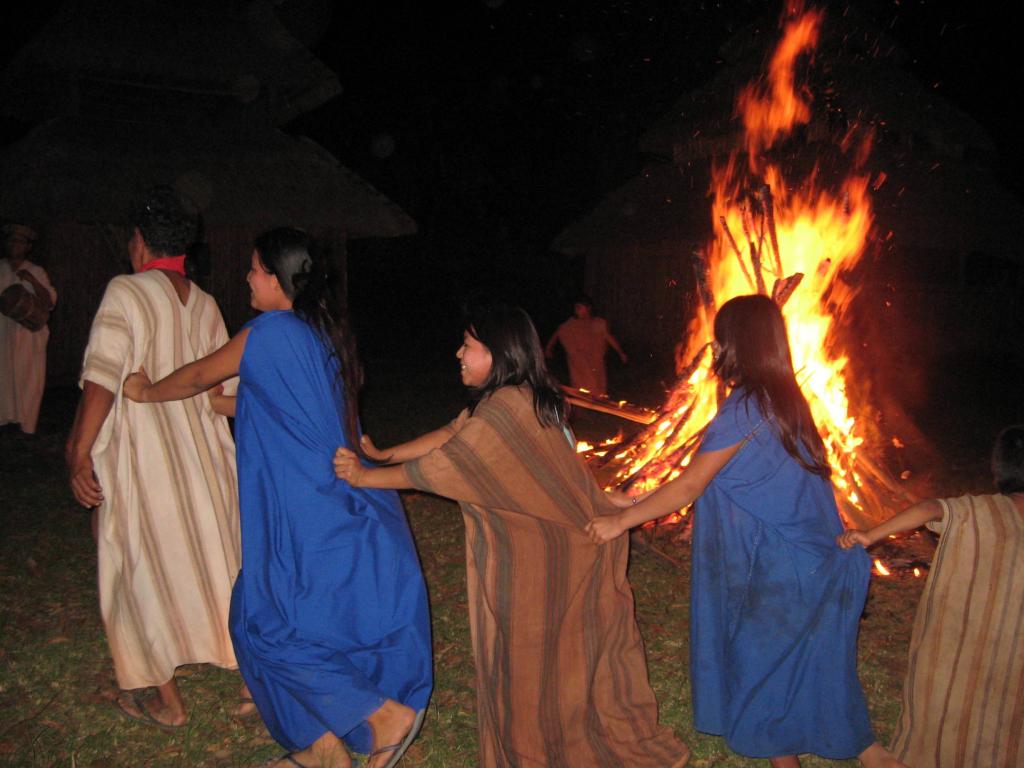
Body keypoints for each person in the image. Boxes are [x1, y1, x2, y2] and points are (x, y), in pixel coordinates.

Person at [123, 227, 432, 768]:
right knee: (253, 614)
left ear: (276, 277)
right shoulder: (325, 334)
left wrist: (145, 390)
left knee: (266, 623)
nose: (247, 277)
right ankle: (319, 747)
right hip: (338, 497)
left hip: (304, 506)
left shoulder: (268, 333)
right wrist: (225, 406)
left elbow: (197, 375)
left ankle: (380, 714)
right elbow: (290, 409)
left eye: (254, 268)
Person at [334, 302, 690, 768]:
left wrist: (364, 477)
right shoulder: (517, 398)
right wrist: (383, 454)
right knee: (558, 658)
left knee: (531, 663)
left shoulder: (506, 410)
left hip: (541, 559)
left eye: (469, 345)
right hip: (558, 545)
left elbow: (442, 466)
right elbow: (451, 435)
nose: (458, 354)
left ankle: (539, 750)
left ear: (499, 353)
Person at [585, 295, 906, 768]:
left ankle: (873, 756)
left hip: (787, 569)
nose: (714, 347)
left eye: (720, 338)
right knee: (794, 669)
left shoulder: (747, 405)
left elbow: (694, 483)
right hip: (813, 561)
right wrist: (632, 500)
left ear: (737, 344)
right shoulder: (785, 399)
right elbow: (724, 480)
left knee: (761, 668)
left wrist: (619, 523)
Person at [65, 187, 240, 729]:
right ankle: (247, 668)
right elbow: (224, 391)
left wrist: (77, 451)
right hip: (204, 460)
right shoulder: (206, 303)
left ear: (139, 242)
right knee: (213, 560)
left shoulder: (127, 291)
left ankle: (166, 699)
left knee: (129, 560)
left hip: (146, 461)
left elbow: (102, 380)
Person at [838, 425, 1024, 768]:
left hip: (954, 654)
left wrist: (870, 534)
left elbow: (931, 508)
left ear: (1000, 470)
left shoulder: (979, 510)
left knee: (941, 722)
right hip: (1013, 664)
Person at [0, 222, 56, 434]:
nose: (15, 245)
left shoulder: (35, 271)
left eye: (21, 242)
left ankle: (26, 425)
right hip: (3, 333)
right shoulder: (1, 269)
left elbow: (50, 302)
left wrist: (31, 280)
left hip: (27, 336)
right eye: (12, 240)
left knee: (27, 379)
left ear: (28, 247)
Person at [544, 294, 626, 396]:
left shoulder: (598, 323)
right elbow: (559, 332)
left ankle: (597, 404)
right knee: (582, 389)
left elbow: (608, 337)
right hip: (579, 364)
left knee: (597, 387)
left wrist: (620, 352)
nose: (576, 310)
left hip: (595, 363)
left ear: (588, 308)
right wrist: (548, 348)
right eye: (575, 308)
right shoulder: (571, 324)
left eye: (579, 307)